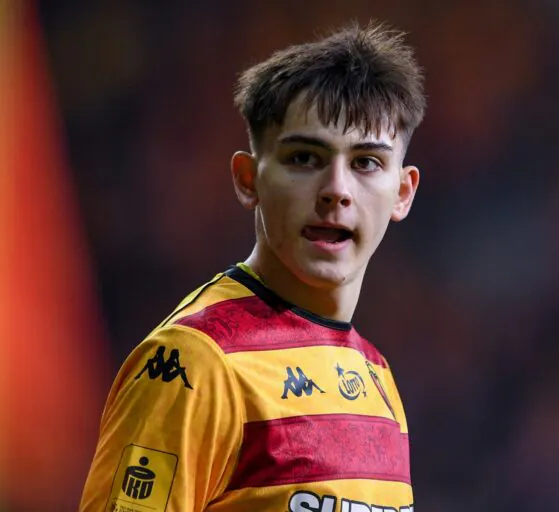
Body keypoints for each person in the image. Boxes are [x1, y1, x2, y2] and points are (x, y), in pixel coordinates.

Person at [80, 21, 426, 512]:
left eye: (366, 162)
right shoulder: (195, 362)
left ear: (403, 192)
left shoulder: (376, 376)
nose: (337, 190)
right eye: (304, 158)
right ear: (248, 180)